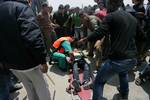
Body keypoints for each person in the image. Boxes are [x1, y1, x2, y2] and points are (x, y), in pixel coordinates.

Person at [78, 0, 137, 99]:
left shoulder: (110, 16)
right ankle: (124, 94)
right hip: (132, 58)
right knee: (123, 73)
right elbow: (142, 38)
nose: (106, 6)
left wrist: (86, 39)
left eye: (107, 4)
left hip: (118, 59)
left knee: (98, 81)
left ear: (112, 4)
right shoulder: (132, 18)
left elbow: (99, 32)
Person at [0, 0, 51, 100]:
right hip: (29, 63)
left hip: (11, 65)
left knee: (29, 88)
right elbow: (32, 36)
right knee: (42, 89)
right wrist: (42, 60)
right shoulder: (21, 8)